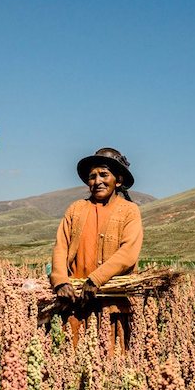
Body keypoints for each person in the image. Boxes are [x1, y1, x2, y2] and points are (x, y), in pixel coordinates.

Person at [49, 148, 144, 349]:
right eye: (92, 176)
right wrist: (60, 282)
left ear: (118, 180)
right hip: (75, 304)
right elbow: (60, 247)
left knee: (110, 366)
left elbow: (128, 253)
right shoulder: (76, 209)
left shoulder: (129, 211)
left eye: (103, 174)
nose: (97, 181)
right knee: (72, 364)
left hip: (112, 305)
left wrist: (96, 279)